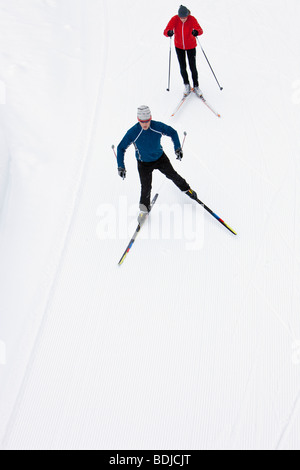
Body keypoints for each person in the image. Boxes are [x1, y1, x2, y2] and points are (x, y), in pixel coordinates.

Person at [117, 105, 198, 223]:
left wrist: (177, 148)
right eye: (142, 122)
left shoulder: (156, 126)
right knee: (146, 187)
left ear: (150, 118)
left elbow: (173, 133)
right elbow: (121, 148)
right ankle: (144, 210)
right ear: (138, 120)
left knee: (173, 175)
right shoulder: (133, 132)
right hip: (143, 164)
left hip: (160, 158)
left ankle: (187, 189)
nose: (145, 124)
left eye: (147, 121)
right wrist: (121, 166)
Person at [164, 5, 203, 97]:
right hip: (179, 46)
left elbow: (200, 30)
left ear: (187, 15)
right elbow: (166, 30)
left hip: (191, 46)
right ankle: (186, 85)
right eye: (181, 18)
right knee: (182, 66)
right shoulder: (174, 19)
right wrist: (168, 32)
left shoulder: (192, 19)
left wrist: (196, 32)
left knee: (192, 66)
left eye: (185, 18)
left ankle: (196, 86)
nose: (183, 20)